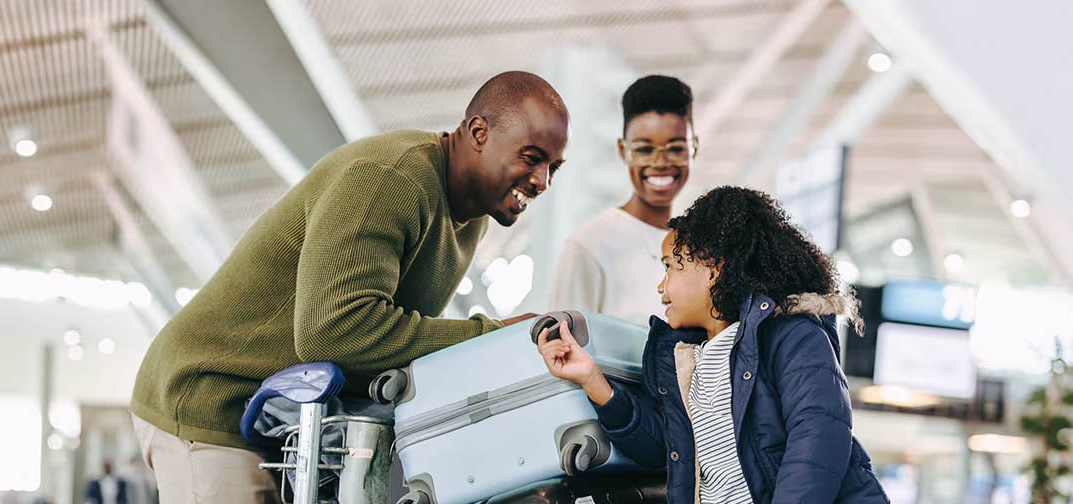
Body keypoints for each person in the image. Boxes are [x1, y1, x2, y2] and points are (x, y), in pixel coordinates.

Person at [130, 71, 570, 503]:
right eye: (531, 158)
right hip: (212, 397)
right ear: (478, 132)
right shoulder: (389, 179)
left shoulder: (470, 213)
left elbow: (391, 344)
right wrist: (491, 337)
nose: (542, 181)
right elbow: (334, 331)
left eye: (554, 167)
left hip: (282, 419)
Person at [537, 186, 889, 503]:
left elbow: (817, 439)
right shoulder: (685, 359)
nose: (662, 287)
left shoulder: (792, 335)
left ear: (712, 268)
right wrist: (592, 381)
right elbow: (662, 448)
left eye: (671, 267)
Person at [548, 75, 697, 325]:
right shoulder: (589, 246)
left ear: (694, 148)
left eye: (676, 148)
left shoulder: (701, 246)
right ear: (622, 150)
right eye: (644, 149)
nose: (660, 163)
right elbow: (560, 350)